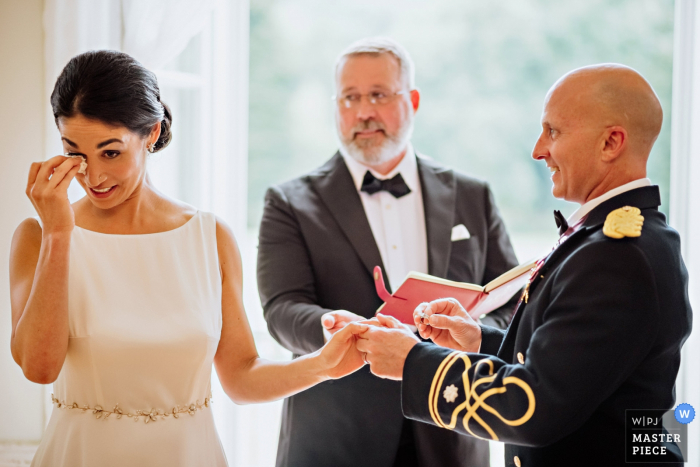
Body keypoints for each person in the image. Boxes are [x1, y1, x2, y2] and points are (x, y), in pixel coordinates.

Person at [9, 50, 364, 467]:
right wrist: (59, 233)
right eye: (76, 153)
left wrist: (322, 365)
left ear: (152, 133)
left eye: (111, 152)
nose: (93, 176)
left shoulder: (209, 237)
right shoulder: (38, 237)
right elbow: (40, 367)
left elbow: (242, 376)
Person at [348, 64, 692, 466]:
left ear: (611, 142)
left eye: (554, 132)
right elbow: (577, 367)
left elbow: (535, 406)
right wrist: (478, 341)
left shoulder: (616, 255)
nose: (538, 149)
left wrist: (412, 362)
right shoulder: (628, 237)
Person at [257, 37, 519, 467]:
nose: (363, 112)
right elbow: (281, 308)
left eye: (378, 95)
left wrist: (467, 336)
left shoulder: (473, 195)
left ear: (412, 99)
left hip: (451, 428)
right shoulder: (289, 202)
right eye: (350, 98)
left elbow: (511, 304)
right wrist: (330, 328)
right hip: (334, 437)